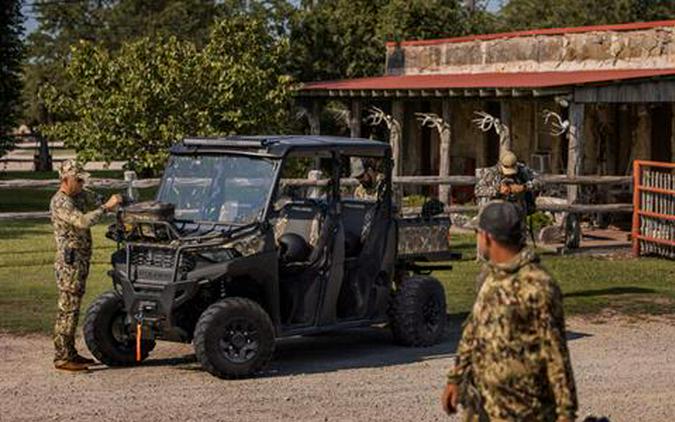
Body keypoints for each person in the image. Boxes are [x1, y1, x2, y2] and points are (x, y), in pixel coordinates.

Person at [441, 201, 577, 421]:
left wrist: (566, 415)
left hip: (523, 411)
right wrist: (455, 379)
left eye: (478, 233)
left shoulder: (537, 285)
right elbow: (473, 329)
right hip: (484, 406)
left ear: (487, 237)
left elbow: (555, 355)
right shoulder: (490, 277)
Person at [50, 160, 122, 371]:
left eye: (82, 179)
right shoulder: (60, 202)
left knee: (74, 307)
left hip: (80, 260)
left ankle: (70, 352)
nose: (81, 183)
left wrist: (115, 202)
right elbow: (82, 221)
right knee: (67, 308)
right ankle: (62, 356)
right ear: (65, 180)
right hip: (69, 263)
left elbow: (95, 198)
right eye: (78, 179)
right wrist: (105, 207)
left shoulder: (79, 194)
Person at [475, 150, 540, 213]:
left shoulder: (522, 169)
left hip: (517, 209)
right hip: (495, 210)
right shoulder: (491, 173)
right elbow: (478, 190)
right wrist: (498, 189)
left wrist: (524, 187)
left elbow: (539, 181)